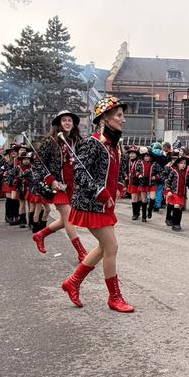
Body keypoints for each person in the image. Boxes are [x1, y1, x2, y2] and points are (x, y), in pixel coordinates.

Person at [61, 96, 133, 312]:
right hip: (91, 205)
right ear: (106, 119)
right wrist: (101, 193)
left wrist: (118, 185)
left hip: (104, 206)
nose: (124, 120)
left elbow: (111, 172)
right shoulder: (93, 143)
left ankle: (73, 282)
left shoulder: (113, 146)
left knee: (103, 248)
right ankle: (114, 298)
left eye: (122, 115)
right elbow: (80, 174)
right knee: (111, 247)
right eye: (119, 115)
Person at [32, 111, 88, 263]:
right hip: (57, 187)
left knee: (66, 220)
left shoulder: (77, 141)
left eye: (70, 120)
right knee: (69, 219)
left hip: (72, 187)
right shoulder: (50, 141)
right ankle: (81, 252)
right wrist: (51, 180)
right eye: (64, 120)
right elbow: (38, 164)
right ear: (59, 123)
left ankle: (40, 235)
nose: (67, 123)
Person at [165, 155, 189, 231]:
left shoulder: (187, 173)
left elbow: (188, 183)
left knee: (179, 208)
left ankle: (177, 223)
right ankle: (175, 224)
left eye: (185, 163)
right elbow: (168, 182)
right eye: (181, 163)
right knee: (176, 206)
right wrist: (168, 191)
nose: (183, 165)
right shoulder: (173, 171)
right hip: (174, 192)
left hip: (182, 193)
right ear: (178, 164)